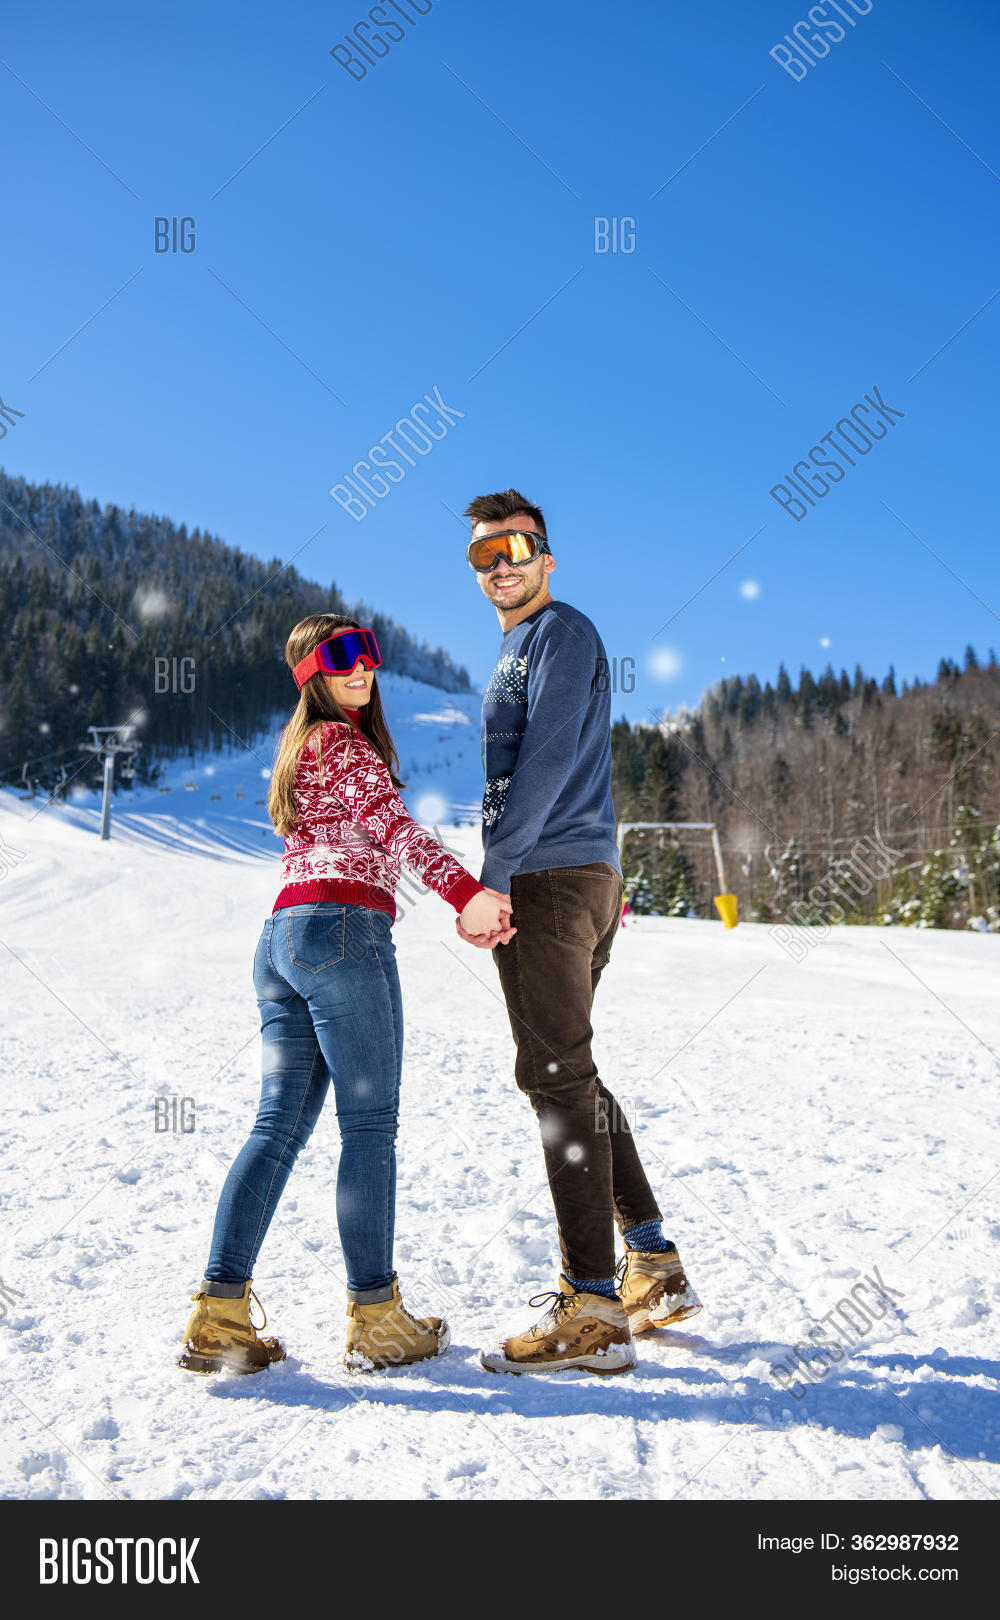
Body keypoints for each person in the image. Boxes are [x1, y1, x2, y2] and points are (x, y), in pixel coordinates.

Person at [178, 614, 512, 1376]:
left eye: (368, 653)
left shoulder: (301, 748)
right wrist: (466, 895)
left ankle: (219, 1315)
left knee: (277, 1127)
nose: (362, 668)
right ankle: (377, 1319)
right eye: (341, 658)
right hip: (343, 932)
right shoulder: (343, 743)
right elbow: (396, 830)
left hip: (281, 941)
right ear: (311, 675)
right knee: (369, 1127)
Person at [457, 490, 702, 1377]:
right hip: (572, 875)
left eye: (516, 548)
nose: (501, 565)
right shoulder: (518, 645)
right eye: (484, 556)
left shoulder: (560, 632)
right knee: (571, 1073)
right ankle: (652, 1264)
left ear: (547, 556)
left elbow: (551, 755)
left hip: (550, 878)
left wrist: (496, 872)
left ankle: (592, 1308)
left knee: (556, 1079)